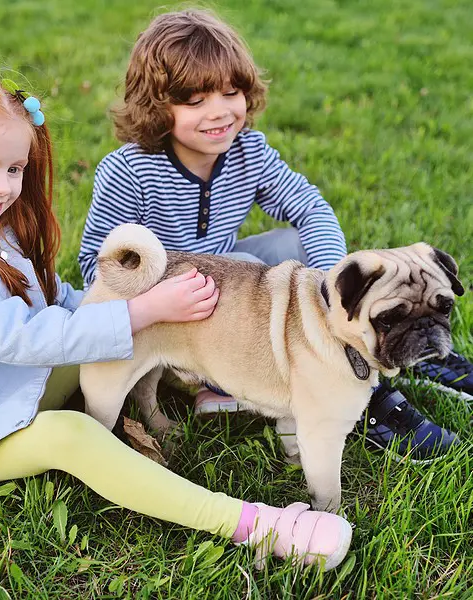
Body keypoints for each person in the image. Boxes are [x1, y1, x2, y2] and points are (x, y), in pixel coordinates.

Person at [0, 68, 353, 572]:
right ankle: (258, 526)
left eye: (15, 169)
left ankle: (162, 392)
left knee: (120, 331)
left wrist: (138, 306)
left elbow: (55, 301)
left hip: (12, 381)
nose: (4, 187)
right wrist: (141, 310)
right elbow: (15, 337)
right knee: (73, 438)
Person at [78, 9, 469, 461]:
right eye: (195, 100)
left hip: (228, 296)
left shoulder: (248, 150)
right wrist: (162, 297)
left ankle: (396, 341)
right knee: (246, 271)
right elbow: (98, 268)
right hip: (164, 311)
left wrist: (331, 299)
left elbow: (309, 207)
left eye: (231, 93)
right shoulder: (128, 170)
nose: (219, 112)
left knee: (294, 248)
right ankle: (259, 387)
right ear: (157, 106)